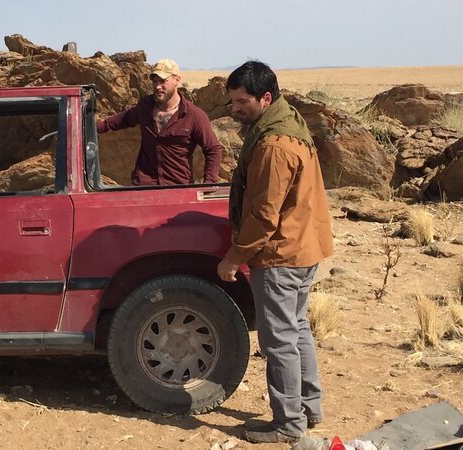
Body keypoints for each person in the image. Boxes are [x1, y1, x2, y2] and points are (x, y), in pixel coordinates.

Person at [216, 60, 334, 444]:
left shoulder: (272, 145)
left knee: (279, 339)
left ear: (266, 98)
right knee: (297, 328)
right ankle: (308, 407)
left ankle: (288, 424)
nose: (236, 109)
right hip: (304, 246)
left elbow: (264, 215)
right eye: (233, 101)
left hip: (281, 255)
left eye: (243, 101)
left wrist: (234, 256)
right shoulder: (289, 122)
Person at [97, 59, 223, 185]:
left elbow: (213, 149)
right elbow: (119, 121)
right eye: (155, 81)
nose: (158, 86)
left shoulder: (194, 115)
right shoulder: (145, 106)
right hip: (144, 187)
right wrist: (88, 127)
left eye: (163, 81)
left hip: (177, 188)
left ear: (177, 80)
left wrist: (209, 184)